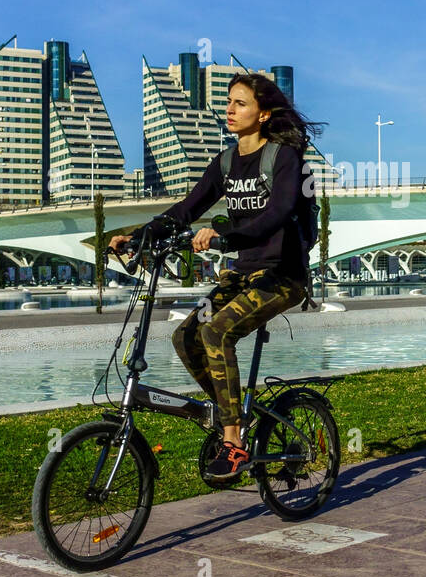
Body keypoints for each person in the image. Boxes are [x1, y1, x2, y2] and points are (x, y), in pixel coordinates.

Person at [110, 74, 324, 479]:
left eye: (240, 104)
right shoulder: (225, 163)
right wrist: (137, 237)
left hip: (282, 276)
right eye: (228, 102)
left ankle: (234, 443)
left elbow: (275, 215)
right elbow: (185, 210)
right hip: (243, 275)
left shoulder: (284, 159)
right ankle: (231, 416)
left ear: (262, 114)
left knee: (217, 332)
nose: (229, 109)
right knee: (186, 336)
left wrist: (226, 234)